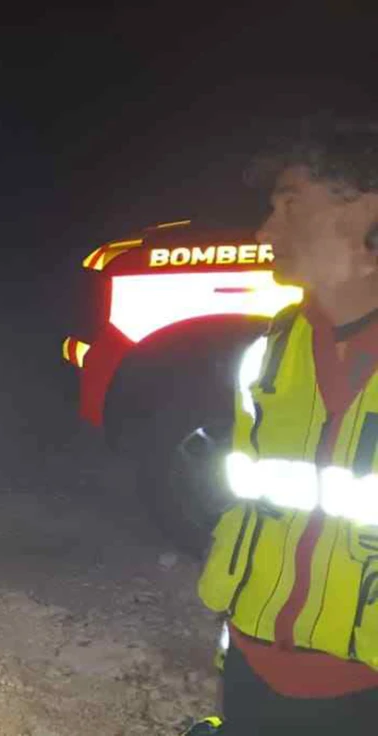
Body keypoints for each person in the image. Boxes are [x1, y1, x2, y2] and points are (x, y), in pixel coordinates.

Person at [185, 117, 378, 735]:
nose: (267, 230)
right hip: (252, 670)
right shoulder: (268, 355)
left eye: (291, 207)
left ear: (369, 217)